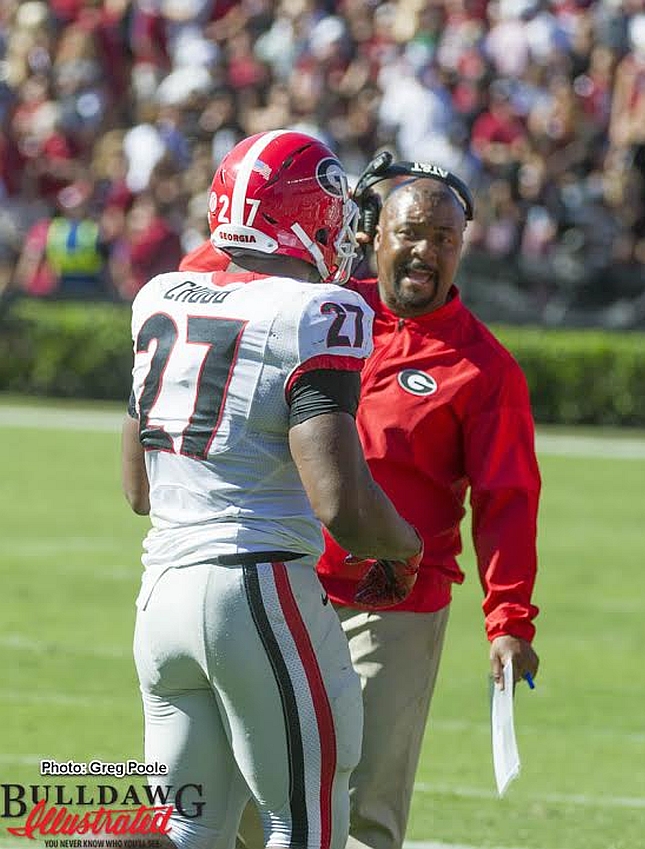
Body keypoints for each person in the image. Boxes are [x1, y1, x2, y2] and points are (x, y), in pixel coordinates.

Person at [122, 130, 424, 849]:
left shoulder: (160, 296)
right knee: (306, 823)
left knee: (187, 829)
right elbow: (341, 504)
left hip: (161, 595)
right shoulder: (318, 310)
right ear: (306, 213)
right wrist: (408, 545)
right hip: (257, 589)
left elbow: (136, 485)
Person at [228, 172, 542, 849]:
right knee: (257, 794)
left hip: (394, 603)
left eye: (444, 238)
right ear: (373, 236)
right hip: (289, 582)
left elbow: (506, 502)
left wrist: (509, 619)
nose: (426, 251)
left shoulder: (485, 368)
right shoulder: (321, 312)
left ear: (462, 249)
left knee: (367, 803)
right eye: (411, 233)